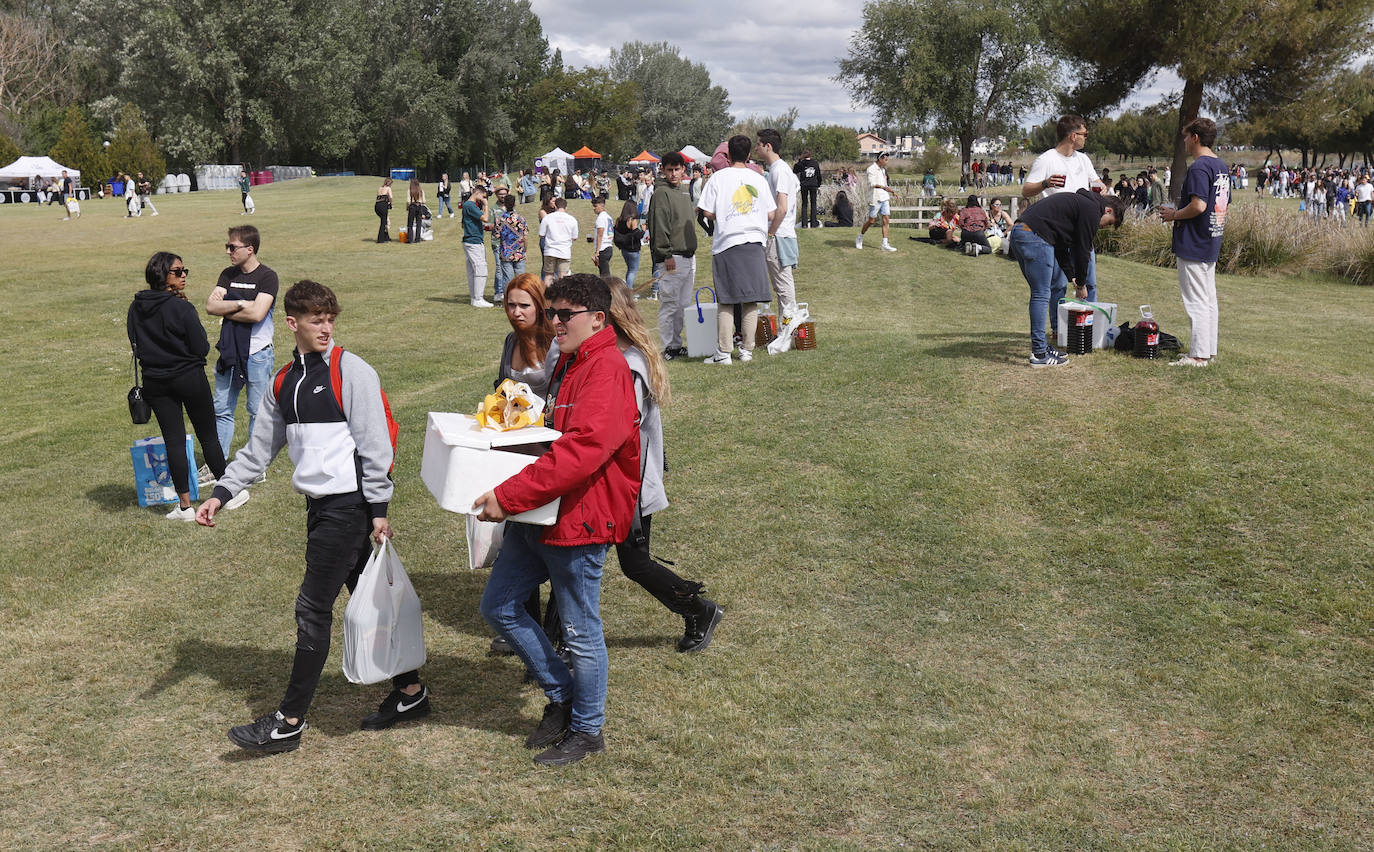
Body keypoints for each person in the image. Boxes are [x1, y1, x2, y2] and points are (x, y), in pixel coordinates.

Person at [198, 280, 431, 752]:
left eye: (330, 320)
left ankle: (289, 721)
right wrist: (221, 493)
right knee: (367, 597)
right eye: (316, 320)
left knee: (312, 609)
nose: (326, 328)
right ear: (292, 323)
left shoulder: (352, 372)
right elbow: (258, 450)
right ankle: (411, 692)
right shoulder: (283, 381)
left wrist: (379, 509)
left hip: (348, 508)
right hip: (319, 507)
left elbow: (375, 446)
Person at [475, 273, 640, 767]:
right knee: (499, 607)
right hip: (542, 513)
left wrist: (508, 496)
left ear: (597, 319)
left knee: (580, 629)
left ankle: (588, 730)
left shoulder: (607, 369)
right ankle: (565, 696)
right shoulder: (570, 359)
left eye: (564, 315)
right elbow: (556, 432)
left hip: (580, 519)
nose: (555, 322)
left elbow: (583, 452)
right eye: (553, 312)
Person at [603, 280, 722, 650]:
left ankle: (700, 611)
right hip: (611, 484)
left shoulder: (630, 365)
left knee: (635, 564)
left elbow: (620, 433)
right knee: (573, 561)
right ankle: (557, 640)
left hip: (628, 487)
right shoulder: (618, 357)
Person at [127, 252, 239, 520]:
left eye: (184, 270)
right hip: (189, 378)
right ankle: (227, 494)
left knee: (173, 442)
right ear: (162, 276)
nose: (184, 274)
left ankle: (185, 506)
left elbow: (134, 342)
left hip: (155, 380)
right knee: (208, 435)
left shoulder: (136, 307)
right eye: (177, 271)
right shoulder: (181, 308)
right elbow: (200, 346)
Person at [1009, 189, 1126, 367]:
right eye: (1108, 223)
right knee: (1041, 294)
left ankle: (1042, 347)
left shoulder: (1080, 204)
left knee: (1039, 293)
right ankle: (1039, 354)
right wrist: (1081, 284)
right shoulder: (1092, 210)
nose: (1103, 227)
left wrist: (1071, 276)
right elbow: (1082, 251)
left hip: (1020, 232)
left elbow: (1061, 247)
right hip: (1035, 237)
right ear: (1108, 210)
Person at [696, 135, 776, 364]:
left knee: (727, 299)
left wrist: (722, 215)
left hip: (727, 243)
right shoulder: (758, 178)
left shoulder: (718, 178)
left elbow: (706, 211)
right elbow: (771, 213)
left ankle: (724, 352)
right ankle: (747, 350)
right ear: (749, 154)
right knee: (751, 299)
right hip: (754, 242)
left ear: (728, 155)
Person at [208, 225, 279, 467]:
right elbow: (210, 307)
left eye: (232, 247)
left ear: (250, 249)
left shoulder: (267, 277)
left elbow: (258, 314)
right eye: (227, 246)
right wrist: (241, 305)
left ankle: (255, 465)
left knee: (257, 412)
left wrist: (229, 305)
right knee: (222, 409)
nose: (228, 251)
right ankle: (217, 463)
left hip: (257, 355)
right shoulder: (227, 274)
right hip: (229, 352)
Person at [1161, 117, 1228, 368]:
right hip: (1211, 238)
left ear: (1196, 137)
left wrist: (1173, 215)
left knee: (1197, 301)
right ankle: (1207, 349)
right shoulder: (1220, 166)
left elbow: (1199, 205)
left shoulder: (1199, 168)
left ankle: (1198, 355)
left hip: (1194, 240)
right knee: (1209, 299)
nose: (1185, 142)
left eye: (1187, 137)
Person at [1024, 115, 1099, 312]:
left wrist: (1100, 189)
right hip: (1058, 231)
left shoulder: (1083, 159)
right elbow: (1026, 190)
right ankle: (1058, 330)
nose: (1086, 138)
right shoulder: (1046, 159)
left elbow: (1096, 182)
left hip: (1082, 228)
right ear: (1073, 136)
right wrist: (1046, 183)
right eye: (1085, 134)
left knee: (1089, 282)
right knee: (1058, 284)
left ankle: (1089, 326)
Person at [646, 151, 697, 359]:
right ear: (663, 170)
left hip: (688, 255)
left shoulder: (684, 191)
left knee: (683, 305)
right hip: (672, 256)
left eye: (677, 169)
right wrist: (665, 254)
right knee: (669, 304)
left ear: (683, 169)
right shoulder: (661, 193)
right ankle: (668, 346)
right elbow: (659, 225)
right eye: (670, 170)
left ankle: (677, 343)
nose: (674, 174)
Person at [757, 128, 801, 319]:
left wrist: (771, 233)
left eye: (758, 144)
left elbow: (782, 208)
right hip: (782, 233)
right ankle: (787, 328)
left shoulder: (780, 171)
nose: (756, 148)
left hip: (779, 235)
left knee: (783, 286)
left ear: (768, 146)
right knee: (781, 286)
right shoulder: (780, 169)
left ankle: (789, 329)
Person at [856, 152, 897, 252]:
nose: (887, 161)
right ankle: (860, 237)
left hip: (885, 197)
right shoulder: (871, 169)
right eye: (885, 159)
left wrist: (891, 191)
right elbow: (872, 184)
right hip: (875, 198)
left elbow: (884, 184)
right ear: (880, 159)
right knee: (871, 221)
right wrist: (884, 188)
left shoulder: (883, 170)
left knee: (886, 219)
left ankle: (885, 244)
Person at [462, 185, 493, 307]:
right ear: (478, 193)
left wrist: (484, 228)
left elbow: (470, 222)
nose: (483, 199)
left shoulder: (468, 206)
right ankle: (478, 298)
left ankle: (474, 298)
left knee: (472, 271)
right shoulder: (470, 205)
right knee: (481, 269)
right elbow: (485, 218)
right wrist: (485, 205)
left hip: (471, 240)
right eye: (483, 196)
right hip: (473, 242)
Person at [537, 197, 578, 283]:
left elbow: (541, 234)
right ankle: (561, 295)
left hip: (550, 250)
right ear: (566, 208)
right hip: (564, 251)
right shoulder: (572, 219)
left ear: (555, 206)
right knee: (563, 276)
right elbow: (574, 237)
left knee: (548, 275)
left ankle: (546, 295)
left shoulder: (547, 218)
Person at [497, 194, 528, 289]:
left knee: (508, 278)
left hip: (506, 252)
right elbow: (525, 237)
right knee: (521, 278)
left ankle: (508, 299)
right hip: (519, 252)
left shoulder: (500, 219)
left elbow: (496, 234)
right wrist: (525, 250)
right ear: (515, 204)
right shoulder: (521, 219)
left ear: (504, 204)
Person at [613, 200, 644, 290]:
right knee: (633, 271)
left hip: (624, 249)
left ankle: (627, 289)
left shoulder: (619, 220)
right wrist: (643, 230)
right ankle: (629, 291)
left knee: (629, 269)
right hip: (633, 249)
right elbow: (637, 235)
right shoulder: (632, 220)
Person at [489, 185, 512, 301]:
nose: (503, 196)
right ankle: (498, 292)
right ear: (496, 195)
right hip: (497, 243)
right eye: (500, 194)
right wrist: (500, 225)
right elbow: (487, 226)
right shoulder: (493, 209)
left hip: (510, 244)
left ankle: (508, 291)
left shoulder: (511, 208)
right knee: (499, 267)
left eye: (504, 193)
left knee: (508, 268)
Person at [793, 149, 821, 228]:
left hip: (804, 184)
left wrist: (799, 160)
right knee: (813, 203)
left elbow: (795, 170)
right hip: (813, 184)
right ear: (811, 155)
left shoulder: (802, 164)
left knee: (804, 204)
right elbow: (818, 174)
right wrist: (818, 184)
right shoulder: (815, 163)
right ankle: (813, 223)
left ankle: (804, 224)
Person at [591, 196, 614, 275]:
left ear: (602, 205)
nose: (594, 208)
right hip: (609, 246)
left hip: (603, 248)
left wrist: (597, 252)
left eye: (595, 206)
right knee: (604, 272)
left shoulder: (601, 218)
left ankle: (608, 287)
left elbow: (600, 235)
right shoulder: (608, 217)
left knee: (605, 274)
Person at [406, 178, 425, 245]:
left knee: (410, 224)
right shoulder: (421, 190)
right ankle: (417, 239)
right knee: (418, 223)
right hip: (419, 206)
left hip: (412, 206)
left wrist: (407, 207)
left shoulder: (410, 190)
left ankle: (410, 239)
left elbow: (408, 201)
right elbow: (424, 201)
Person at [374, 177, 393, 243]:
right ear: (389, 183)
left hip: (377, 206)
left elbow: (378, 197)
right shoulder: (388, 188)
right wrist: (391, 203)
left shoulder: (380, 188)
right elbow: (390, 197)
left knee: (385, 221)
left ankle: (386, 237)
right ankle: (380, 239)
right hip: (383, 205)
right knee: (383, 222)